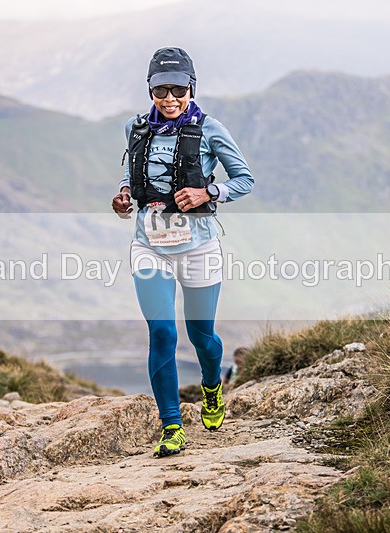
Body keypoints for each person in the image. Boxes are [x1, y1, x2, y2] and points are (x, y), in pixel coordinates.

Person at [111, 47, 254, 458]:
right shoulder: (135, 128)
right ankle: (171, 425)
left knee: (201, 337)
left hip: (198, 246)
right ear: (150, 90)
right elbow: (131, 171)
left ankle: (212, 387)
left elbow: (245, 179)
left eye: (177, 89)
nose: (169, 98)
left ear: (191, 86)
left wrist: (208, 191)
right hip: (148, 245)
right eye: (160, 90)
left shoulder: (211, 129)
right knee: (162, 333)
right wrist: (124, 196)